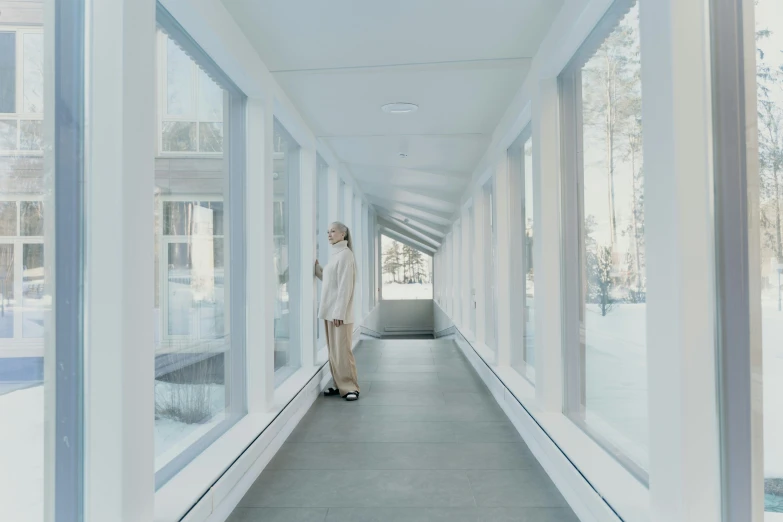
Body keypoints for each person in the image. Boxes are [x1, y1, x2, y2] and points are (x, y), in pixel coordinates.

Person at [315, 222, 360, 401]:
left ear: (343, 234)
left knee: (343, 352)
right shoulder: (335, 255)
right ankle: (339, 385)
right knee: (334, 352)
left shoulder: (346, 255)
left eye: (333, 231)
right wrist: (317, 269)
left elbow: (345, 287)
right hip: (329, 312)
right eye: (328, 231)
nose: (329, 234)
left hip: (338, 315)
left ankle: (351, 387)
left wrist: (339, 313)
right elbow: (329, 280)